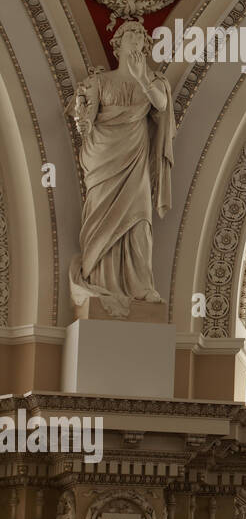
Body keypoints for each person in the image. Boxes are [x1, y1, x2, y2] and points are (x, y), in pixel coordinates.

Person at [67, 22, 174, 318]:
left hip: (134, 157)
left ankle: (140, 285)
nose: (137, 38)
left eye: (141, 35)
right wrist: (83, 118)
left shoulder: (152, 80)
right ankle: (100, 279)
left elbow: (162, 106)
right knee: (101, 215)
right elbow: (85, 121)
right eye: (131, 33)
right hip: (103, 157)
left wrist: (142, 79)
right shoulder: (100, 82)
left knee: (139, 220)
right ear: (118, 43)